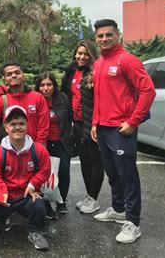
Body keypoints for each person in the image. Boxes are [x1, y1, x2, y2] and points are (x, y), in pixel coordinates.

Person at [90, 19, 156, 243]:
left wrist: (133, 121)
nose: (104, 39)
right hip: (103, 128)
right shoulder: (98, 63)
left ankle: (133, 222)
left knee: (127, 176)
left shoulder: (128, 60)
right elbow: (100, 97)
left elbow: (148, 91)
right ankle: (118, 210)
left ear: (117, 35)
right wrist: (95, 123)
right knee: (112, 173)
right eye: (100, 36)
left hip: (122, 129)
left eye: (109, 35)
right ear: (96, 39)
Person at [0, 105, 50, 250]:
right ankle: (5, 217)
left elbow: (45, 170)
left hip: (27, 195)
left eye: (21, 123)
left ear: (27, 125)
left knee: (38, 205)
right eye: (13, 124)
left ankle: (35, 232)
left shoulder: (39, 150)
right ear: (6, 127)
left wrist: (33, 184)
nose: (17, 128)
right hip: (6, 196)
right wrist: (2, 191)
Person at [61, 40, 104, 214]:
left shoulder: (95, 73)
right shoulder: (70, 72)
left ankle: (94, 198)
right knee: (84, 160)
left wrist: (96, 123)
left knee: (95, 160)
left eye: (86, 54)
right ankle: (89, 195)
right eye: (79, 53)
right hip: (76, 123)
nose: (81, 57)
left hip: (92, 123)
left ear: (91, 55)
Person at [35, 72, 75, 218]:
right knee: (44, 174)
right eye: (42, 85)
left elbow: (70, 119)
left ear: (54, 85)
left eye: (49, 84)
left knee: (63, 172)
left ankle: (61, 200)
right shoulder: (35, 100)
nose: (45, 88)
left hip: (61, 141)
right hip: (43, 142)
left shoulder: (63, 99)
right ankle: (45, 203)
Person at [0, 63, 49, 145]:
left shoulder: (38, 98)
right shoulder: (1, 101)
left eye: (17, 73)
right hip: (10, 150)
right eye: (9, 74)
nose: (13, 76)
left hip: (34, 147)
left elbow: (43, 126)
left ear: (23, 75)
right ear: (5, 79)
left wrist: (40, 145)